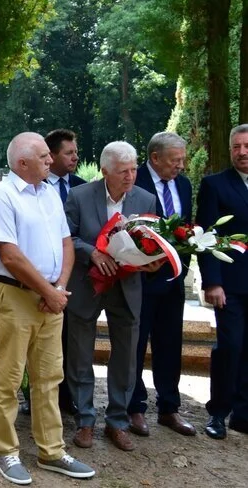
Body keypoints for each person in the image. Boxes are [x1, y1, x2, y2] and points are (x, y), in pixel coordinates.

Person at [0, 132, 94, 485]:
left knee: (49, 376)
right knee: (8, 377)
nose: (51, 160)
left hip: (50, 296)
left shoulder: (48, 193)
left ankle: (52, 451)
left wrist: (58, 288)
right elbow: (10, 255)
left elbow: (66, 243)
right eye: (44, 156)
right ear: (22, 163)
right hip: (14, 294)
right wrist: (48, 290)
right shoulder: (0, 196)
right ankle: (5, 451)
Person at [65, 141, 158, 452]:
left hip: (127, 288)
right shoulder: (79, 195)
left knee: (127, 357)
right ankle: (85, 420)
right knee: (80, 354)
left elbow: (153, 241)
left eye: (133, 170)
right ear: (105, 171)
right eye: (122, 171)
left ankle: (117, 421)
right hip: (87, 286)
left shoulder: (145, 198)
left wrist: (152, 261)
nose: (130, 177)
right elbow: (67, 237)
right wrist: (92, 253)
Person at [128, 132, 196, 437]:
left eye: (182, 159)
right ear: (155, 158)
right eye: (175, 160)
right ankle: (134, 407)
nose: (180, 165)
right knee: (135, 343)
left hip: (173, 278)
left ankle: (169, 407)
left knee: (170, 343)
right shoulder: (135, 180)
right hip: (141, 278)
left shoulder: (184, 185)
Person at [20, 128, 85, 417]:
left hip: (72, 280)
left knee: (69, 341)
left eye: (76, 152)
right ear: (52, 155)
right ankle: (31, 397)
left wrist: (60, 286)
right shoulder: (29, 188)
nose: (75, 157)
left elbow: (71, 238)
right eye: (69, 153)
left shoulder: (82, 188)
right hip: (33, 283)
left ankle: (67, 397)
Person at [196, 124, 248, 440]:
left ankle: (243, 415)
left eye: (247, 146)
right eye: (236, 147)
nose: (242, 152)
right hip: (230, 285)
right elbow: (206, 237)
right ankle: (218, 412)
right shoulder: (214, 185)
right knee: (230, 346)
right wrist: (212, 282)